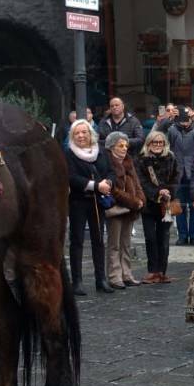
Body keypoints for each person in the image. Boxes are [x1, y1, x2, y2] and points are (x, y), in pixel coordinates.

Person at [66, 118, 112, 296]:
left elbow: (111, 171)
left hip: (98, 201)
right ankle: (77, 281)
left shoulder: (101, 151)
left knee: (99, 240)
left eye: (84, 132)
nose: (81, 135)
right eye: (77, 133)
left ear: (90, 133)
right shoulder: (69, 154)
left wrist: (109, 182)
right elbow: (71, 177)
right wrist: (94, 185)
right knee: (77, 241)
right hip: (78, 201)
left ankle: (101, 279)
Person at [136, 127, 178, 283]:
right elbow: (142, 182)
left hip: (165, 205)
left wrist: (169, 191)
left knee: (164, 238)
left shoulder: (171, 158)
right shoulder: (141, 159)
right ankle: (152, 270)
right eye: (155, 142)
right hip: (149, 204)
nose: (158, 144)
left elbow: (176, 178)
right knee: (150, 237)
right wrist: (157, 192)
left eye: (161, 142)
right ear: (149, 143)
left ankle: (162, 271)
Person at [104, 131, 145, 288]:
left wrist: (141, 199)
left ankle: (127, 274)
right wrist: (134, 201)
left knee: (126, 243)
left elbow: (137, 183)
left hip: (130, 209)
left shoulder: (129, 162)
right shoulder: (107, 163)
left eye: (126, 145)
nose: (124, 148)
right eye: (120, 145)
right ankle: (115, 276)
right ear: (111, 146)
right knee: (114, 244)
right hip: (116, 208)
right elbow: (113, 189)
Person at [167, 106, 194, 244]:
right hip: (177, 172)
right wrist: (170, 119)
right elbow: (158, 133)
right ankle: (182, 235)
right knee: (179, 205)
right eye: (182, 117)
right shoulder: (173, 130)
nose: (184, 120)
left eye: (187, 117)